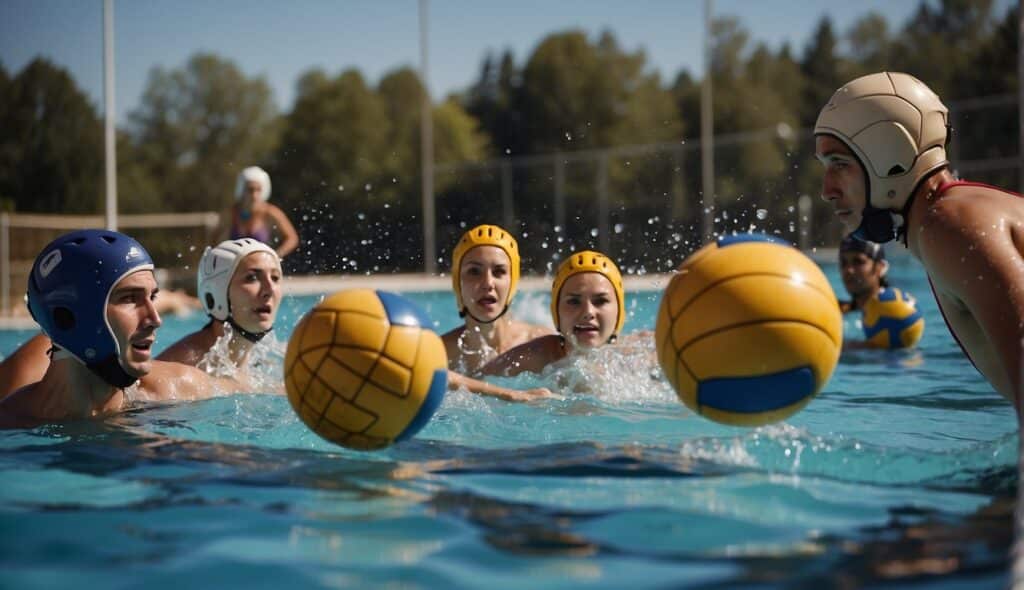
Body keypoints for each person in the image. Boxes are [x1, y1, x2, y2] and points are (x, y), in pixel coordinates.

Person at [815, 71, 1024, 402]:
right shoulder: (949, 218)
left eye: (839, 164)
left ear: (889, 157)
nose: (826, 190)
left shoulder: (951, 226)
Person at [0, 230, 246, 428]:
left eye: (153, 297)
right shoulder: (12, 424)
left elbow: (250, 390)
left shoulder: (172, 390)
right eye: (130, 298)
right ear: (68, 317)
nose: (155, 318)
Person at [483, 250, 625, 377]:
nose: (588, 312)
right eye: (574, 302)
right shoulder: (534, 357)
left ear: (619, 311)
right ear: (556, 312)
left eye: (600, 301)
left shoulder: (633, 359)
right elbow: (474, 380)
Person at [442, 224, 554, 374]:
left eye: (499, 271)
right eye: (474, 271)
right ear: (458, 284)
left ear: (512, 283)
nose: (488, 283)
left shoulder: (542, 346)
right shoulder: (439, 353)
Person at [158, 238, 282, 369]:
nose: (270, 289)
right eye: (252, 278)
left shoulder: (263, 363)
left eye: (275, 278)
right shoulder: (180, 369)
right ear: (215, 293)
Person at [217, 166, 299, 259]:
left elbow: (292, 239)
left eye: (258, 190)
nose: (254, 194)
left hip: (263, 266)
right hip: (235, 267)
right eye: (250, 189)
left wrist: (275, 255)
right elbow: (215, 243)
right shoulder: (231, 213)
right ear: (241, 190)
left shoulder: (270, 212)